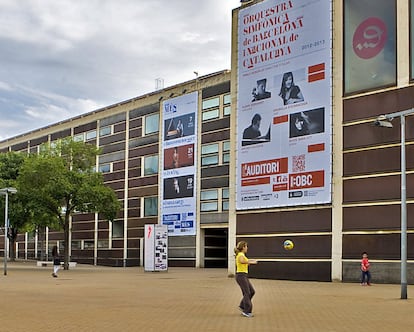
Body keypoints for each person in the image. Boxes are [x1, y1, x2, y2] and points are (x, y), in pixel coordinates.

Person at [234, 241, 257, 318]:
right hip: (241, 276)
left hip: (244, 275)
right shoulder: (240, 254)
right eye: (246, 246)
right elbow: (242, 261)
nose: (247, 248)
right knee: (247, 293)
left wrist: (249, 261)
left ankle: (242, 305)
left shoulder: (242, 255)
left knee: (252, 291)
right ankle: (247, 311)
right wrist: (251, 261)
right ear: (243, 247)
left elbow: (244, 261)